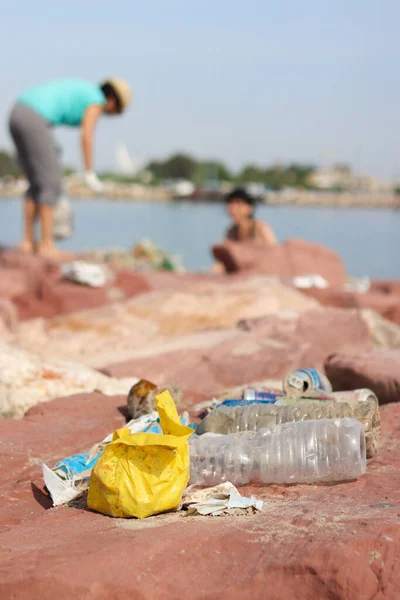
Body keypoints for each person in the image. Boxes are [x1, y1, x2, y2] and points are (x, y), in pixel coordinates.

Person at [9, 77, 132, 259]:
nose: (111, 115)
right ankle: (46, 244)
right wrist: (89, 172)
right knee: (50, 180)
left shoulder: (88, 92)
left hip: (18, 113)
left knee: (36, 181)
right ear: (113, 100)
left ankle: (28, 242)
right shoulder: (96, 101)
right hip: (34, 117)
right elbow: (87, 137)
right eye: (117, 111)